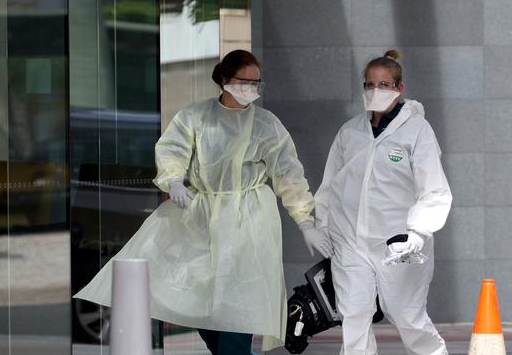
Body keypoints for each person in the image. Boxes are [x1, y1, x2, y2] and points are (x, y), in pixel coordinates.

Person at [74, 49, 332, 354]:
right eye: (244, 81)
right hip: (200, 219)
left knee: (238, 309)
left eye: (256, 83)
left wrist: (304, 221)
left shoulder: (266, 125)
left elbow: (288, 173)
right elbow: (173, 148)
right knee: (201, 303)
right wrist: (173, 180)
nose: (251, 89)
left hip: (248, 221)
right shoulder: (196, 116)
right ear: (224, 79)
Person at [314, 49, 452, 355]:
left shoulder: (417, 131)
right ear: (363, 87)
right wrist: (319, 224)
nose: (376, 91)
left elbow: (434, 189)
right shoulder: (350, 132)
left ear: (399, 89)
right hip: (351, 240)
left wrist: (418, 233)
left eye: (384, 84)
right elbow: (330, 184)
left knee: (407, 315)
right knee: (354, 314)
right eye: (370, 84)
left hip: (397, 244)